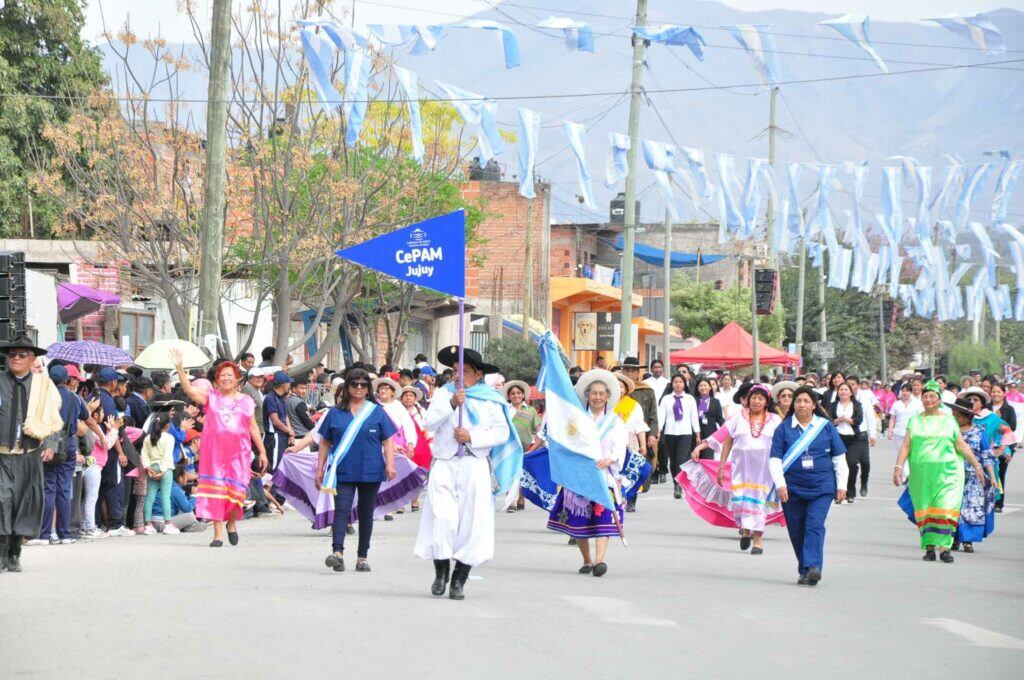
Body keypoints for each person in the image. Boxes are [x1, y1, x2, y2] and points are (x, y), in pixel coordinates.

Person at [414, 347, 519, 601]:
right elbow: (428, 423)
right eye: (454, 371)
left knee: (472, 521)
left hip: (474, 463)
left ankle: (460, 578)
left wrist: (472, 436)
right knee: (442, 517)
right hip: (445, 462)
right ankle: (441, 572)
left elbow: (501, 432)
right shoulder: (443, 394)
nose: (457, 375)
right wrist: (452, 404)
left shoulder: (491, 399)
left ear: (478, 374)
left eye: (464, 371)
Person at [171, 350, 268, 548]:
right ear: (216, 379)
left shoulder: (246, 401)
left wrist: (262, 450)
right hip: (214, 454)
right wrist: (180, 368)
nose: (225, 378)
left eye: (229, 375)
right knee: (216, 492)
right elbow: (189, 390)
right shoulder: (211, 398)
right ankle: (217, 534)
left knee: (236, 492)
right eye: (222, 375)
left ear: (237, 379)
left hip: (239, 454)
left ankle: (231, 523)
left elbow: (252, 427)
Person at [316, 368, 398, 573]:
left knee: (366, 513)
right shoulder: (335, 412)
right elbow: (325, 442)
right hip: (342, 470)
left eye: (363, 384)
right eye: (354, 384)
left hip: (371, 469)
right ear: (347, 387)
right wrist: (320, 468)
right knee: (341, 511)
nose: (359, 388)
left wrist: (390, 464)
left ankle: (362, 557)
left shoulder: (376, 411)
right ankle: (337, 554)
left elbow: (388, 441)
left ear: (368, 388)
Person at [546, 369, 627, 577]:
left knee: (603, 517)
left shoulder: (615, 422)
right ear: (587, 396)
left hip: (604, 475)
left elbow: (620, 447)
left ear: (608, 397)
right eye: (593, 393)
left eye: (601, 393)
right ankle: (587, 560)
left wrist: (610, 459)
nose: (597, 397)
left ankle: (600, 560)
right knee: (579, 518)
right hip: (580, 475)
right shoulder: (577, 420)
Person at [894, 381, 985, 563]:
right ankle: (929, 548)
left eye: (932, 396)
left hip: (949, 473)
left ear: (939, 400)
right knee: (925, 510)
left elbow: (961, 445)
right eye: (925, 396)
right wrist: (898, 467)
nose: (928, 399)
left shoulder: (949, 420)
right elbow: (906, 446)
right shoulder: (915, 420)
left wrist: (977, 466)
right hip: (922, 474)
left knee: (945, 509)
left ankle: (945, 548)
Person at [769, 386, 849, 586]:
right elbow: (775, 460)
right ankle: (805, 569)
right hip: (792, 488)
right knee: (797, 529)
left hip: (822, 487)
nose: (802, 405)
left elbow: (839, 458)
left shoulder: (826, 427)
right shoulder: (784, 428)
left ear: (814, 405)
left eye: (806, 401)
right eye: (798, 401)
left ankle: (813, 566)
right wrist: (780, 485)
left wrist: (842, 486)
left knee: (814, 525)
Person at [0, 337, 63, 570]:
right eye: (12, 354)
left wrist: (51, 444)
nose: (15, 358)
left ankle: (15, 553)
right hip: (2, 454)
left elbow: (53, 420)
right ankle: (1, 551)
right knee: (2, 499)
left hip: (29, 454)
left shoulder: (43, 386)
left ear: (32, 359)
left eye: (21, 355)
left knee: (24, 503)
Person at [716, 384, 782, 554]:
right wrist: (722, 465)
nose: (757, 401)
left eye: (761, 398)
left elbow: (783, 443)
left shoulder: (775, 420)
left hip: (764, 470)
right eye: (754, 397)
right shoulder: (737, 417)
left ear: (767, 402)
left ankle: (758, 538)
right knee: (741, 501)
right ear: (748, 399)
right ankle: (746, 530)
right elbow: (727, 440)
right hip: (741, 468)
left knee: (759, 502)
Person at [35, 365, 87, 545]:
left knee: (48, 487)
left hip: (48, 442)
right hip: (70, 443)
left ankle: (44, 534)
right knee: (65, 488)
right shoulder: (75, 397)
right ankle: (64, 534)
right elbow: (85, 416)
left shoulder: (46, 396)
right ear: (67, 380)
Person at [946, 399, 998, 553]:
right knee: (952, 507)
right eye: (953, 414)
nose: (954, 417)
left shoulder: (978, 432)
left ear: (967, 417)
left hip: (974, 476)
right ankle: (953, 538)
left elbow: (986, 455)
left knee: (971, 508)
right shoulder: (949, 431)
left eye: (957, 415)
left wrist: (992, 477)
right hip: (951, 475)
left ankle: (968, 540)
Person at [658, 373, 699, 500]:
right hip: (670, 432)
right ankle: (676, 482)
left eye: (680, 382)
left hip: (685, 432)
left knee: (681, 459)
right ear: (672, 384)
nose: (678, 384)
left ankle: (678, 486)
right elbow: (661, 416)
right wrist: (658, 431)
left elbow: (694, 418)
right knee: (673, 461)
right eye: (675, 382)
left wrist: (697, 434)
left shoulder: (690, 399)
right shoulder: (666, 399)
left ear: (684, 383)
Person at [620, 357, 659, 482]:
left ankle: (632, 499)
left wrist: (652, 434)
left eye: (633, 371)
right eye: (626, 370)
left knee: (639, 471)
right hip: (619, 436)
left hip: (641, 436)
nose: (630, 374)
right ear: (622, 372)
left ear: (638, 373)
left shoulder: (646, 391)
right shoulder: (615, 390)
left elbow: (653, 415)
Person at [829, 383, 868, 503]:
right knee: (837, 465)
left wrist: (848, 420)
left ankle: (850, 491)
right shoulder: (833, 405)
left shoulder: (856, 405)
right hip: (838, 437)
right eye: (841, 390)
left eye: (846, 390)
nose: (843, 392)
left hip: (854, 438)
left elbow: (859, 420)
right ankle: (838, 492)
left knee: (851, 463)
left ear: (851, 392)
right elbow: (828, 420)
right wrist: (837, 420)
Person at [140, 413, 179, 535]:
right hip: (165, 469)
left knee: (150, 496)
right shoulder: (169, 438)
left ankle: (148, 525)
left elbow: (144, 454)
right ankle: (167, 524)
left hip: (152, 468)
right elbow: (167, 455)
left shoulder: (147, 438)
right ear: (167, 426)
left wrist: (147, 467)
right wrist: (162, 471)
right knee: (165, 496)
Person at [504, 380, 539, 513]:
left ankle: (521, 498)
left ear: (523, 395)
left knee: (521, 474)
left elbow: (538, 427)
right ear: (509, 396)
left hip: (526, 446)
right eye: (512, 393)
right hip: (509, 445)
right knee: (510, 473)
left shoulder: (531, 411)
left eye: (519, 393)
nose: (516, 395)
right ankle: (511, 501)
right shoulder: (505, 410)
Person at [987, 383, 1017, 512]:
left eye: (998, 391)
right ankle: (988, 500)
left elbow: (1012, 426)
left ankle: (999, 503)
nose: (995, 394)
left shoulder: (1008, 409)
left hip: (1004, 446)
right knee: (989, 472)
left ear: (1004, 394)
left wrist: (998, 423)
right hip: (988, 445)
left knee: (1000, 473)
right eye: (993, 391)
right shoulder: (986, 408)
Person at [262, 371, 295, 473]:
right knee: (274, 468)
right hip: (274, 436)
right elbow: (275, 421)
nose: (289, 385)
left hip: (282, 435)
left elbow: (285, 417)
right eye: (288, 383)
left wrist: (290, 432)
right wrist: (289, 431)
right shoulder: (270, 398)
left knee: (281, 466)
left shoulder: (280, 398)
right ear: (283, 385)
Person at [888, 383, 923, 458]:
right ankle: (903, 468)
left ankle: (908, 469)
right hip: (898, 433)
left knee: (910, 455)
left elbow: (921, 418)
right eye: (903, 391)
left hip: (912, 433)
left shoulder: (918, 403)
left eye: (907, 391)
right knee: (900, 454)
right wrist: (890, 430)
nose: (905, 393)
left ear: (911, 392)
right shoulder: (896, 404)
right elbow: (892, 418)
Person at [694, 377, 725, 456]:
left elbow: (719, 418)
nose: (703, 387)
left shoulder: (715, 401)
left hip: (710, 435)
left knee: (708, 459)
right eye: (701, 386)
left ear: (710, 387)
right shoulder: (693, 401)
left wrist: (726, 427)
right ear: (698, 388)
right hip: (696, 434)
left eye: (705, 385)